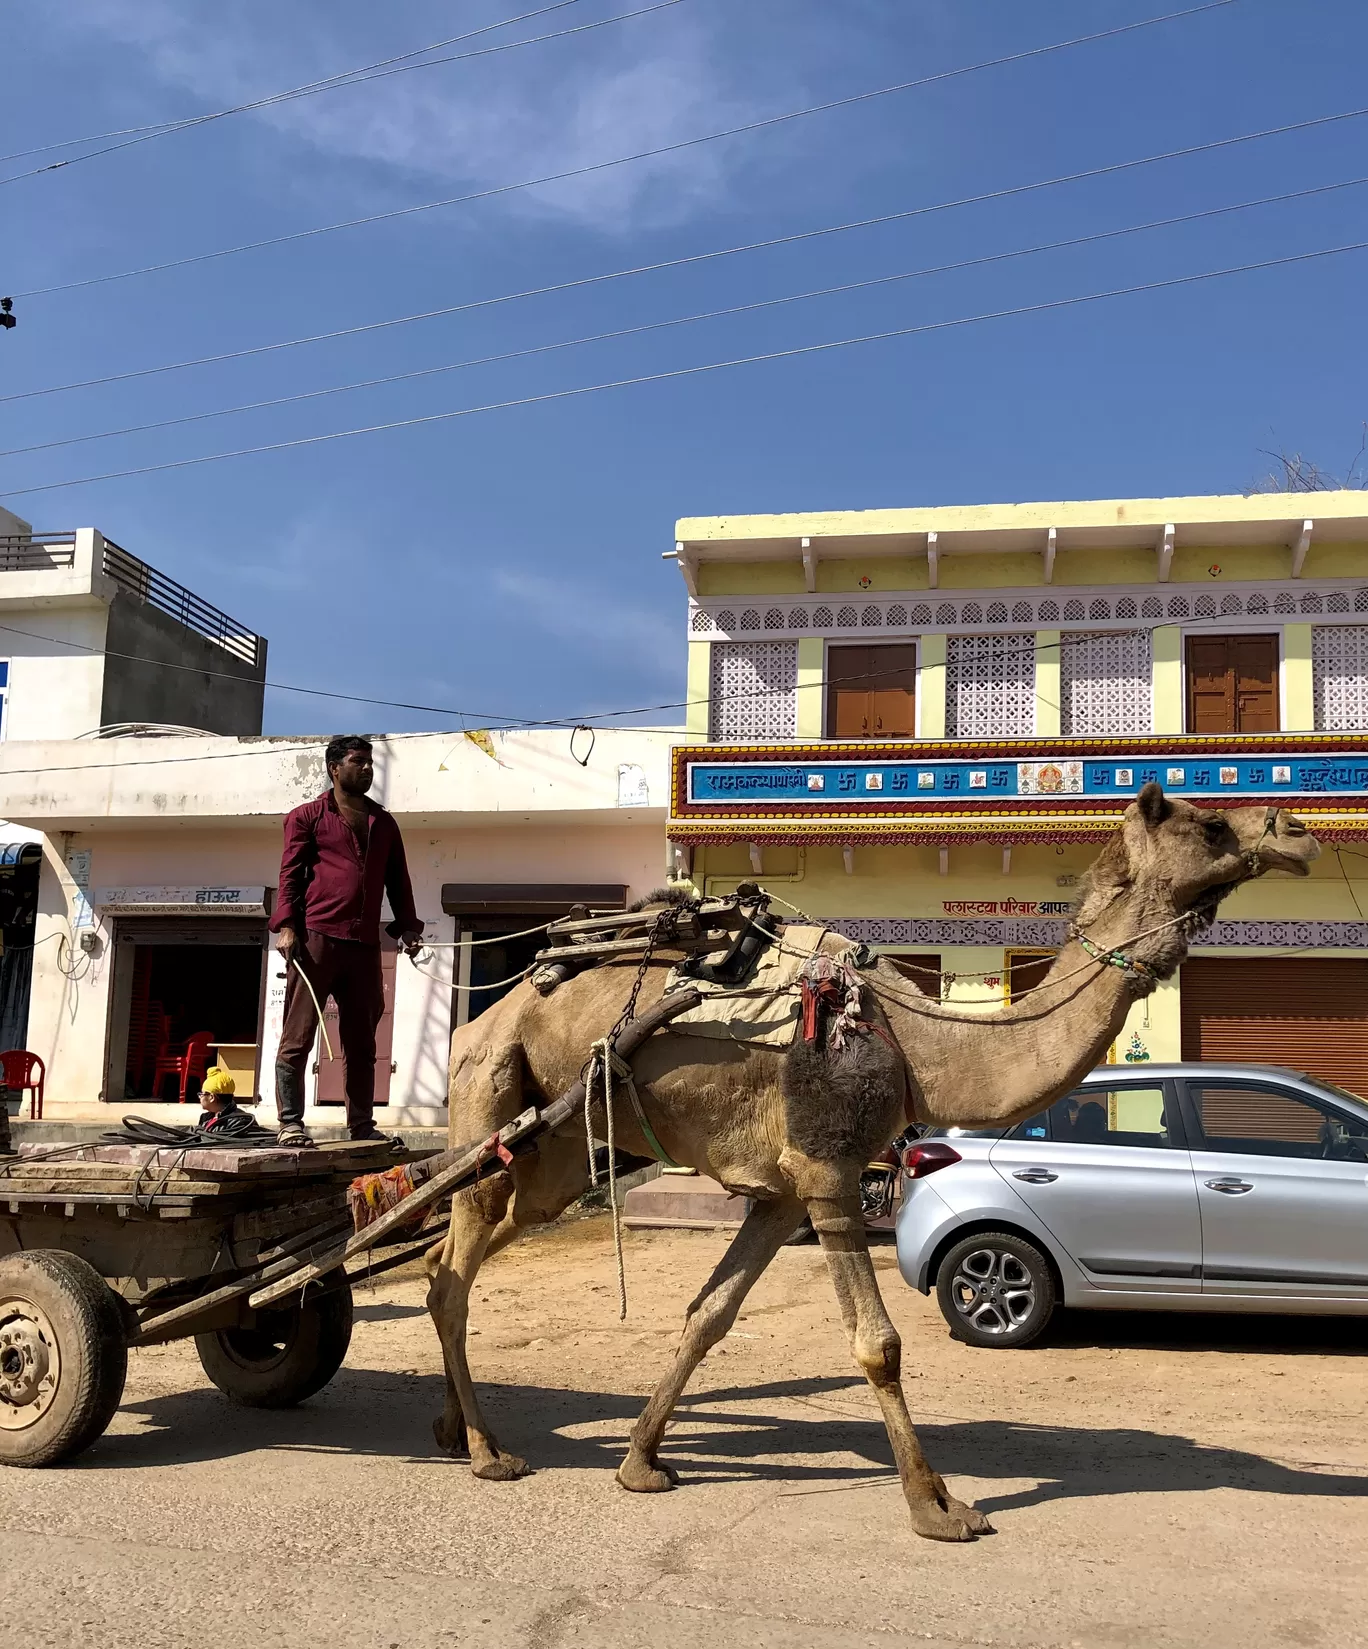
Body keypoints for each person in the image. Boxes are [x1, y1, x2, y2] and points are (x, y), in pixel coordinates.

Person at [270, 735, 424, 1146]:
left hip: (364, 945)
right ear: (334, 768)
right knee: (298, 1037)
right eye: (358, 762)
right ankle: (290, 1122)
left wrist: (409, 925)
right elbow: (290, 876)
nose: (368, 769)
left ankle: (361, 1125)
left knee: (362, 1041)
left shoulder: (384, 822)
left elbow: (398, 880)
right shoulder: (306, 817)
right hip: (316, 940)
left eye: (370, 763)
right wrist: (286, 926)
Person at [196, 1067, 262, 1137]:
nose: (200, 1097)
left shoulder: (240, 1122)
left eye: (201, 1094)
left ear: (211, 1097)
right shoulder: (205, 1118)